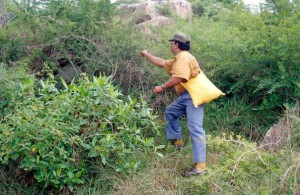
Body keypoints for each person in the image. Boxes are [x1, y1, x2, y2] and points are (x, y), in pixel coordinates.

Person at [140, 31, 207, 177]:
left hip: (193, 96)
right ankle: (178, 143)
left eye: (172, 43)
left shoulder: (183, 57)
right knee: (171, 112)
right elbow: (162, 63)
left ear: (176, 44)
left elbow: (180, 77)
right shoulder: (179, 58)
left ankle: (200, 166)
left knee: (195, 128)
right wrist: (146, 55)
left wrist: (162, 87)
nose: (170, 45)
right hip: (186, 96)